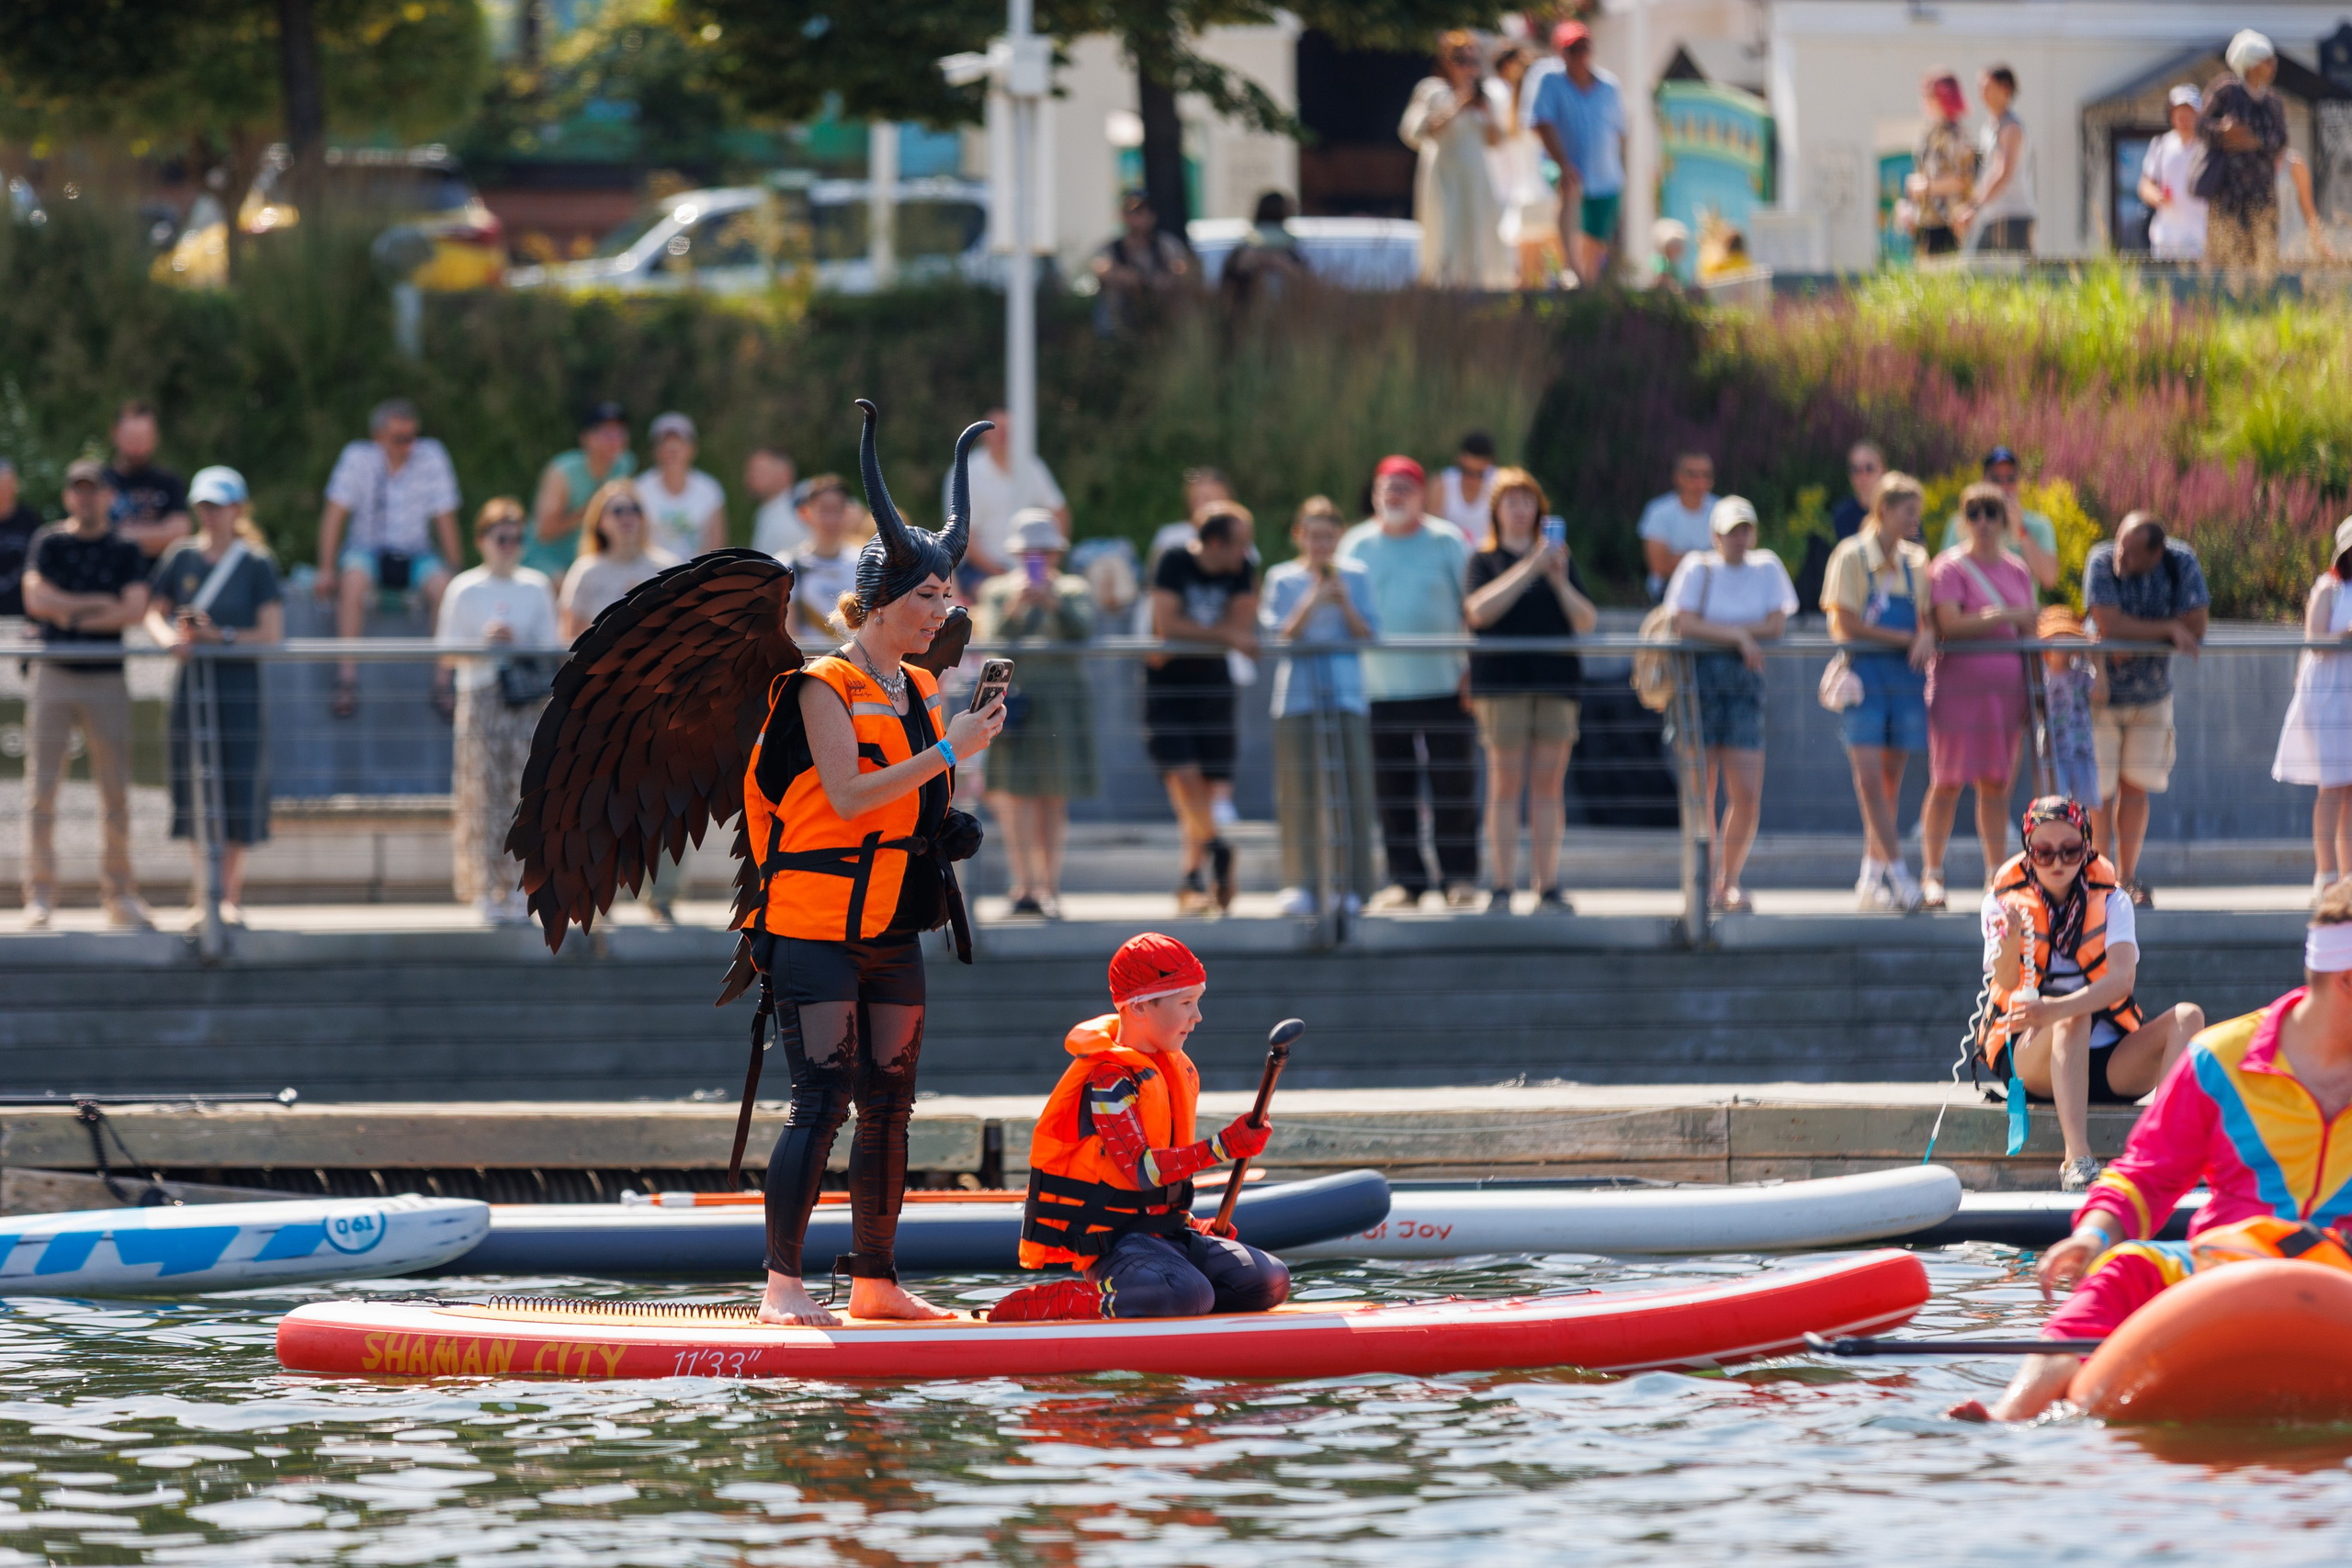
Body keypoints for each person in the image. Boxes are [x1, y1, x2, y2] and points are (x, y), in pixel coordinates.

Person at [747, 409, 1002, 1326]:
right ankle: (782, 1288)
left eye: (945, 597)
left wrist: (952, 812)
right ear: (879, 602)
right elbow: (850, 798)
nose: (943, 612)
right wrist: (948, 753)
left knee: (891, 1104)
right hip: (814, 934)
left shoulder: (926, 689)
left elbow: (912, 805)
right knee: (822, 1101)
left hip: (891, 929)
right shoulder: (821, 684)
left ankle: (875, 1282)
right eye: (928, 597)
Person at [1951, 888, 2352, 1425]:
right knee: (2125, 1265)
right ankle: (2010, 1414)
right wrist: (2091, 1235)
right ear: (2344, 979)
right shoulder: (2221, 1059)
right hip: (2228, 1267)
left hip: (2343, 1274)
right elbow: (2147, 1173)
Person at [989, 933, 1289, 1324]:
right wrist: (1223, 1146)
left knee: (1270, 1281)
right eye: (1186, 1003)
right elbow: (1141, 1170)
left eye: (1198, 1002)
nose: (1197, 1016)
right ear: (1140, 1006)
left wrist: (1194, 1225)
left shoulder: (1172, 1067)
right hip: (1115, 1245)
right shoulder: (1109, 1080)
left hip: (1170, 1234)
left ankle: (1170, 1288)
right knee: (1187, 1294)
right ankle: (1062, 1300)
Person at [1976, 795, 2204, 1192]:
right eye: (2044, 853)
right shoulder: (2001, 904)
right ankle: (2077, 1161)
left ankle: (2168, 1155)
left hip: (2110, 1064)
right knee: (2075, 1017)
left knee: (2189, 1017)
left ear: (2087, 848)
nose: (2058, 862)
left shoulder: (2115, 900)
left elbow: (2121, 982)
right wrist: (2010, 942)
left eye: (2070, 850)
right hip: (2035, 1059)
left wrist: (2056, 1008)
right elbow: (2007, 982)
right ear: (2028, 853)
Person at [142, 466, 283, 921]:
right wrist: (171, 641)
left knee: (238, 784)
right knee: (194, 783)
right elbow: (152, 612)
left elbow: (270, 633)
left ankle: (229, 895)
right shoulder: (180, 557)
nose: (210, 513)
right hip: (190, 688)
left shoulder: (257, 562)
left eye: (219, 505)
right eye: (204, 504)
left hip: (238, 688)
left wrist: (217, 636)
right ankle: (204, 892)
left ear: (237, 509)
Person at [1341, 456, 1479, 911]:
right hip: (1379, 687)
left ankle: (1458, 876)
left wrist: (1472, 667)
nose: (1395, 495)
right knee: (1392, 788)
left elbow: (1472, 607)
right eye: (1387, 487)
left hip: (1444, 682)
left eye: (1404, 487)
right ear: (1375, 494)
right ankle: (1407, 880)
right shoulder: (1356, 544)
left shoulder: (1447, 541)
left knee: (1453, 783)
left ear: (1422, 495)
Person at [19, 458, 152, 930]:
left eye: (93, 489)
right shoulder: (49, 542)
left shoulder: (124, 548)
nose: (86, 497)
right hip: (53, 675)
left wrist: (67, 614)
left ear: (108, 496)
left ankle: (119, 895)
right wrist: (97, 607)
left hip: (106, 678)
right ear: (67, 495)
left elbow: (134, 611)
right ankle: (40, 894)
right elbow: (35, 599)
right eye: (78, 489)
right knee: (42, 791)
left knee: (114, 791)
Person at [1464, 468, 1594, 914]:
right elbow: (1479, 612)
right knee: (1505, 784)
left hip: (1556, 683)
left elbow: (1585, 621)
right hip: (1501, 686)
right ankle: (1502, 885)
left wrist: (1556, 578)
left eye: (1527, 502)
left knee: (1547, 787)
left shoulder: (1560, 560)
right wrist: (1529, 568)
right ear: (1497, 511)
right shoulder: (1484, 560)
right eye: (1511, 502)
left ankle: (1547, 884)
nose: (1520, 510)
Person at [1665, 497, 1796, 913]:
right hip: (1698, 686)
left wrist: (1726, 634)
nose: (1739, 538)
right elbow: (1683, 622)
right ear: (1715, 535)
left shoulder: (1767, 566)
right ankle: (1702, 883)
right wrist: (1739, 637)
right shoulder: (1697, 566)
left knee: (1745, 793)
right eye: (1730, 530)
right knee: (1700, 791)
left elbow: (1776, 624)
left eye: (1745, 529)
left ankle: (1728, 880)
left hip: (1744, 687)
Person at [437, 499, 560, 925]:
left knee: (521, 795)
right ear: (482, 542)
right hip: (480, 693)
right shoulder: (464, 588)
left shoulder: (535, 585)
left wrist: (518, 638)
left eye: (516, 539)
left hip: (525, 699)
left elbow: (551, 647)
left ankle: (516, 888)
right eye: (500, 538)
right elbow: (447, 652)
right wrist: (484, 642)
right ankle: (483, 889)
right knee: (480, 793)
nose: (509, 547)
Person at [1919, 482, 2037, 910]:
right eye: (1974, 512)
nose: (1983, 521)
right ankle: (1932, 875)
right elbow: (1949, 623)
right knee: (1946, 784)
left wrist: (2039, 695)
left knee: (1996, 786)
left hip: (2006, 697)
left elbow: (2031, 633)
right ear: (1963, 520)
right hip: (1956, 694)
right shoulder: (1949, 568)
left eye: (1991, 512)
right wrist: (2005, 614)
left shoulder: (2018, 570)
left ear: (2005, 520)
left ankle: (1996, 876)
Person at [1260, 496, 1379, 919]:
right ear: (1299, 536)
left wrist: (1343, 600)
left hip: (1346, 693)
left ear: (1339, 537)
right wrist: (1312, 597)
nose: (1321, 544)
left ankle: (1354, 886)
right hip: (1297, 696)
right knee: (1298, 792)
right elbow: (1278, 635)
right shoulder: (1282, 578)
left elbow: (1369, 635)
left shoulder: (1357, 575)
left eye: (1328, 536)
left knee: (1352, 790)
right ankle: (1301, 883)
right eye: (1313, 536)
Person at [975, 509, 1097, 919]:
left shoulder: (1074, 589)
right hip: (1018, 703)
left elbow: (1084, 630)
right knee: (1016, 799)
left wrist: (1053, 601)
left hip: (1061, 704)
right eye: (1030, 551)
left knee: (1053, 799)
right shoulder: (996, 591)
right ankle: (1023, 885)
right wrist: (1016, 605)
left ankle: (1050, 886)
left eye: (1042, 551)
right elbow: (993, 638)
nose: (1037, 558)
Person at [1823, 469, 1935, 912]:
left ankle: (1869, 880)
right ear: (1884, 510)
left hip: (1906, 680)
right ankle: (1902, 878)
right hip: (1866, 679)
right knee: (1870, 782)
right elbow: (1845, 624)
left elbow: (1926, 618)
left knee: (1889, 784)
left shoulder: (1917, 561)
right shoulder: (1850, 556)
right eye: (1909, 511)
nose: (1915, 520)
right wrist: (1907, 640)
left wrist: (1924, 634)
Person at [2084, 512, 2208, 908]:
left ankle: (2126, 878)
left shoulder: (2179, 561)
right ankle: (2099, 878)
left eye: (2133, 553)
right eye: (2120, 544)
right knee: (2099, 795)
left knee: (2134, 790)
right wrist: (2167, 629)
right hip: (2100, 699)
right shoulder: (2101, 560)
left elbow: (2197, 625)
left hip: (2152, 698)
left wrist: (2131, 632)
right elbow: (2107, 621)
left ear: (2157, 553)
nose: (2121, 557)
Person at [317, 397, 463, 720]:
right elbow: (333, 517)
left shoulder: (432, 455)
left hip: (415, 553)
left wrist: (457, 572)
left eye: (413, 437)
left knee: (446, 589)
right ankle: (347, 680)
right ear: (378, 436)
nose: (408, 446)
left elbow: (445, 518)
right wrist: (326, 570)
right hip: (367, 550)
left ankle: (443, 683)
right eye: (399, 439)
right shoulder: (357, 458)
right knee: (352, 581)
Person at [1147, 502, 1258, 915]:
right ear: (1215, 543)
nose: (1246, 554)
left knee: (1207, 788)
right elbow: (1169, 625)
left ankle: (1194, 877)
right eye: (1240, 545)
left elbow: (1243, 627)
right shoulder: (1173, 561)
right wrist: (1223, 635)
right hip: (1168, 687)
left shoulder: (1241, 568)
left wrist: (1220, 636)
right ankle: (1217, 849)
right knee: (1183, 778)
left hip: (1214, 687)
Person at [2276, 518, 2352, 900]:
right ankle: (2326, 875)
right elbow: (2316, 641)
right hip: (2329, 700)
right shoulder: (2329, 588)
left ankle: (2349, 878)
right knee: (2332, 788)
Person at [1401, 30, 1509, 289]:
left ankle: (1478, 285)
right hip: (1444, 172)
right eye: (1461, 59)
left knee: (1478, 230)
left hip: (1475, 173)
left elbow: (1496, 140)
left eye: (1473, 61)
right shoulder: (1432, 91)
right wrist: (1457, 106)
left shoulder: (1485, 95)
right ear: (1447, 61)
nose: (1468, 67)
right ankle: (1442, 286)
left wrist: (1485, 113)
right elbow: (1414, 132)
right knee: (1443, 230)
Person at [1529, 21, 1625, 285]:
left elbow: (1620, 132)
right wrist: (1564, 164)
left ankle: (1589, 284)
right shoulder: (1550, 81)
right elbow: (1542, 123)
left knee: (1597, 238)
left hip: (1604, 174)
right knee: (1570, 189)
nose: (1580, 55)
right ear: (1562, 53)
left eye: (1584, 47)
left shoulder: (1609, 86)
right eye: (1573, 49)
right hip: (1562, 166)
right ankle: (1570, 269)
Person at [2200, 32, 2291, 285]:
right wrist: (2224, 132)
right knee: (2224, 259)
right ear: (2251, 63)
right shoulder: (2226, 91)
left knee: (2262, 260)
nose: (2273, 66)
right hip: (2228, 194)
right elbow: (2201, 124)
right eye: (2267, 60)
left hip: (2262, 195)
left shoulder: (2273, 102)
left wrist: (2256, 142)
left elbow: (2282, 139)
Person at [948, 406, 1067, 592]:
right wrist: (999, 572)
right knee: (993, 596)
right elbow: (961, 534)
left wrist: (1052, 561)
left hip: (1033, 568)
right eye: (995, 430)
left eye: (1008, 430)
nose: (1003, 436)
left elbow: (1059, 511)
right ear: (983, 434)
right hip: (980, 571)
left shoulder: (1032, 466)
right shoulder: (966, 471)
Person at [527, 401, 634, 583]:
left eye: (619, 433)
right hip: (547, 557)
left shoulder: (625, 463)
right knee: (567, 585)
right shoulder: (562, 471)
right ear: (586, 438)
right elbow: (544, 531)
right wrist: (593, 510)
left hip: (591, 555)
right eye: (606, 433)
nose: (614, 440)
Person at [559, 479, 676, 643]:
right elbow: (568, 638)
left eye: (634, 510)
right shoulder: (585, 571)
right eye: (618, 511)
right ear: (600, 521)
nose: (627, 517)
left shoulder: (667, 567)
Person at [1936, 446, 2058, 593]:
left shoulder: (2039, 525)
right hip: (1972, 610)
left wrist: (2021, 531)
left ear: (2018, 482)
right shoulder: (1964, 520)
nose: (2004, 487)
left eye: (2010, 479)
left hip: (2019, 613)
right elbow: (1944, 574)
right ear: (1984, 481)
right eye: (1996, 479)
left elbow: (2049, 579)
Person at [1490, 43, 1563, 288]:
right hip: (1547, 200)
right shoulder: (1542, 119)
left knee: (1528, 282)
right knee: (1560, 276)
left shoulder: (1509, 115)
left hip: (1524, 201)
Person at [1091, 191, 1193, 334]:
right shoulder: (1110, 248)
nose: (1141, 218)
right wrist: (1129, 279)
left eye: (1145, 212)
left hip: (1161, 319)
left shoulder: (1167, 245)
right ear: (1124, 216)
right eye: (1135, 212)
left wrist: (1161, 282)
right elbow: (1101, 270)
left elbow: (1183, 271)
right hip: (1120, 323)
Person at [1958, 64, 2034, 255]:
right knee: (1978, 277)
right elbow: (1985, 173)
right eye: (1980, 87)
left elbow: (2003, 171)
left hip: (2013, 216)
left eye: (1987, 87)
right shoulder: (1988, 128)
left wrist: (1975, 207)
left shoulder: (2012, 127)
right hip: (1992, 216)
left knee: (2015, 280)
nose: (1981, 93)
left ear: (2005, 88)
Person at [101, 399, 190, 558]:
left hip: (156, 578)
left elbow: (179, 535)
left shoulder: (169, 482)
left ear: (155, 437)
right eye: (132, 437)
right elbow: (82, 532)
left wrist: (114, 535)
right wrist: (154, 535)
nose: (138, 445)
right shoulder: (98, 480)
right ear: (115, 434)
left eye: (143, 437)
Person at [1904, 71, 1976, 257]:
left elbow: (1964, 179)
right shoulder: (1928, 133)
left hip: (1948, 223)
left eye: (1930, 94)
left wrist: (1926, 187)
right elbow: (1921, 171)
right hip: (1924, 221)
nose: (1925, 99)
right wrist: (1909, 205)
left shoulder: (1957, 134)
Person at [2039, 606, 2105, 810]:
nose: (2062, 643)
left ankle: (2081, 842)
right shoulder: (2040, 678)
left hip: (2082, 751)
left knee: (2085, 809)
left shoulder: (2082, 674)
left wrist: (2096, 657)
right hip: (2054, 754)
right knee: (2054, 808)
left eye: (2068, 636)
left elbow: (2101, 695)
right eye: (2056, 636)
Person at [638, 412, 728, 562]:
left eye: (679, 443)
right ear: (655, 450)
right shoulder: (640, 488)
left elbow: (716, 542)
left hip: (696, 576)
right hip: (652, 576)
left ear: (692, 449)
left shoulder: (710, 489)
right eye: (665, 444)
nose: (672, 450)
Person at [786, 474, 859, 644]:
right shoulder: (789, 565)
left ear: (847, 512)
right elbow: (789, 633)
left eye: (837, 510)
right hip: (810, 664)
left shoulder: (862, 564)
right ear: (805, 513)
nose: (831, 519)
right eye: (824, 510)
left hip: (853, 664)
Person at [2138, 85, 2208, 262]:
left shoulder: (2208, 146)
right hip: (2165, 239)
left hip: (2200, 238)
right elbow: (2145, 184)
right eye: (2179, 112)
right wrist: (2156, 196)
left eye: (2189, 112)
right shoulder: (2161, 144)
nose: (2184, 119)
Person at [1637, 451, 1718, 602]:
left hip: (1715, 589)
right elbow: (1659, 566)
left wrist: (1680, 558)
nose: (1700, 481)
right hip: (1668, 589)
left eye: (1706, 475)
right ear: (1678, 477)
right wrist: (1710, 559)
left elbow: (1735, 560)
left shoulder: (1722, 510)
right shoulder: (1658, 512)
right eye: (1692, 475)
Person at [1219, 190, 1310, 312]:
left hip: (1281, 312)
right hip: (1249, 312)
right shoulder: (1247, 247)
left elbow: (1303, 279)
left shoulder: (1246, 246)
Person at [0, 457, 43, 618]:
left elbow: (40, 563)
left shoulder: (29, 518)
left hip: (23, 614)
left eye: (5, 485)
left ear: (14, 485)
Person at [1433, 431, 1498, 536]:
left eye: (1480, 474)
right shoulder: (1441, 484)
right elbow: (1433, 532)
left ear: (1490, 464)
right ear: (1459, 459)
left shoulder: (1500, 484)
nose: (1472, 480)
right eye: (1466, 471)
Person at [746, 446, 802, 560]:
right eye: (751, 471)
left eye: (761, 471)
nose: (752, 476)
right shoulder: (765, 511)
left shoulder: (799, 510)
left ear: (785, 474)